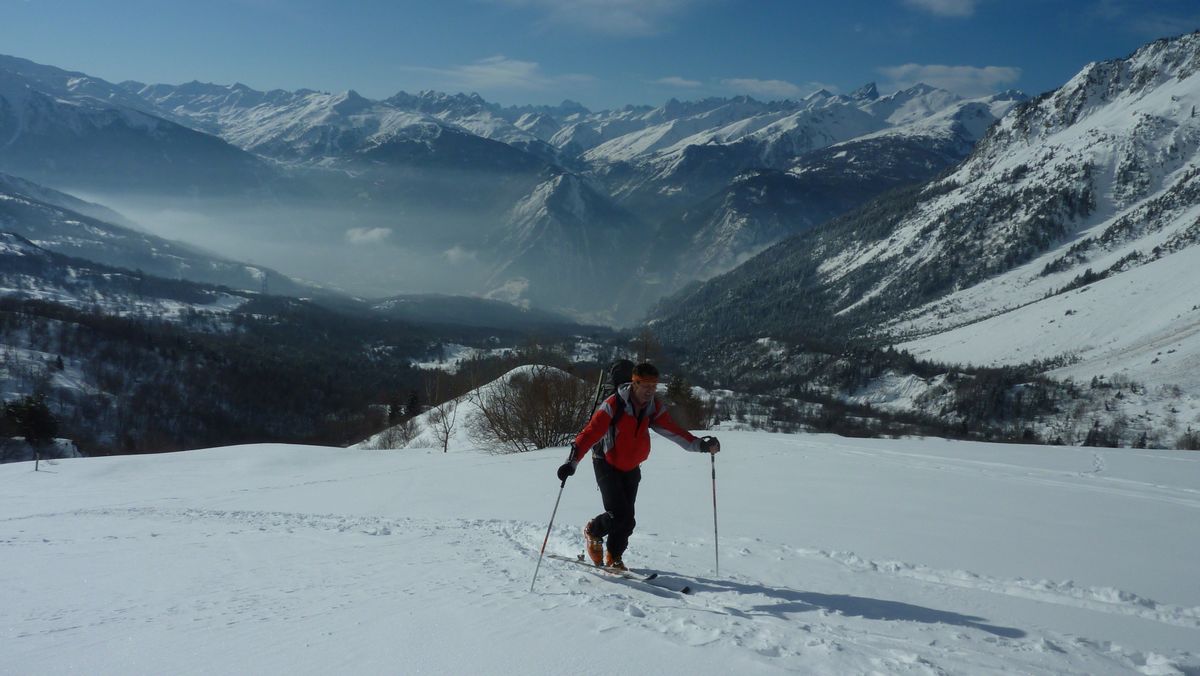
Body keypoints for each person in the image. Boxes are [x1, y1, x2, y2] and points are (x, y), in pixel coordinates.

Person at [557, 362, 720, 570]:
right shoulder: (613, 405)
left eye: (654, 386)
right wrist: (571, 462)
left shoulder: (653, 407)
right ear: (634, 383)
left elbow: (673, 431)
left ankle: (614, 556)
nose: (650, 391)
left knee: (628, 521)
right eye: (646, 386)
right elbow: (590, 433)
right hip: (605, 462)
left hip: (632, 466)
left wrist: (700, 445)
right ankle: (594, 531)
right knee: (619, 514)